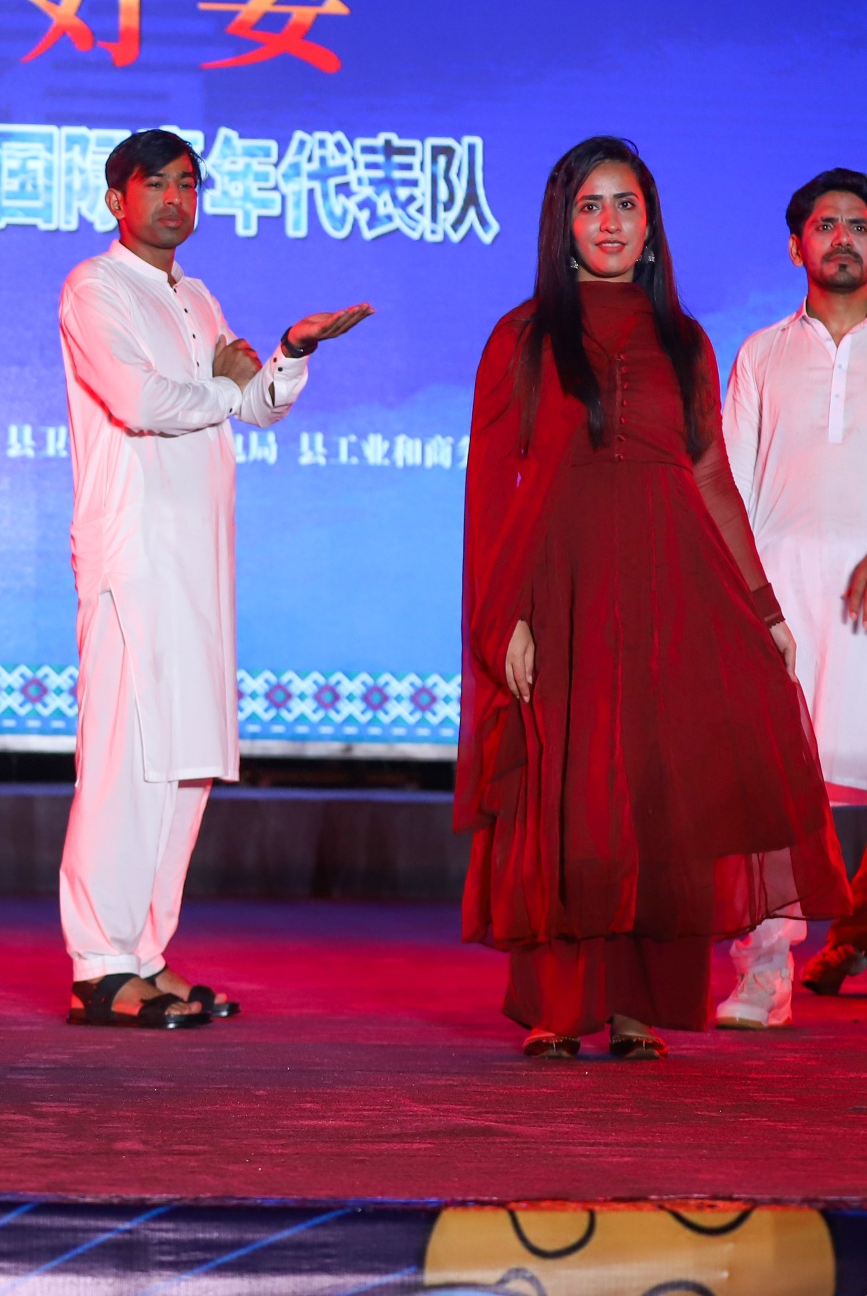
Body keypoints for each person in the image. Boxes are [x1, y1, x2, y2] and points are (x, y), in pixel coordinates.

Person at [460, 136, 848, 1059]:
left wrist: (761, 607)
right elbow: (491, 489)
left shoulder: (687, 338)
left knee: (654, 801)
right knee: (567, 795)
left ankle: (639, 1010)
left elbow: (710, 475)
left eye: (626, 205)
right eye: (590, 205)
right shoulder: (523, 335)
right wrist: (501, 614)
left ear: (651, 225)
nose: (609, 222)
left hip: (675, 587)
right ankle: (561, 1007)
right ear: (564, 225)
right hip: (561, 586)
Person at [54, 130, 369, 1029]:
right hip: (131, 553)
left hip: (198, 556)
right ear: (118, 197)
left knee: (186, 761)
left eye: (188, 183)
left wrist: (292, 354)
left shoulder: (196, 295)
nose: (174, 199)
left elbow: (256, 405)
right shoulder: (93, 288)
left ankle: (145, 956)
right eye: (154, 183)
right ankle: (98, 962)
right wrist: (233, 388)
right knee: (124, 761)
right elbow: (144, 401)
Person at [716, 168, 867, 1022]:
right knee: (772, 789)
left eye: (859, 224)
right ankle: (766, 965)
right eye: (826, 224)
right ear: (796, 245)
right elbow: (728, 483)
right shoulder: (761, 353)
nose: (843, 237)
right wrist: (745, 595)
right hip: (780, 603)